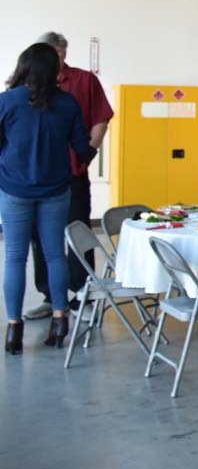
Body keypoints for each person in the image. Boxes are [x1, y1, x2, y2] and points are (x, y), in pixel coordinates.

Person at [1, 43, 96, 353]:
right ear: (55, 70)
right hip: (56, 189)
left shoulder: (6, 102)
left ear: (23, 66)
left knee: (15, 257)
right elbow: (81, 147)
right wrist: (88, 154)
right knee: (55, 253)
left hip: (14, 190)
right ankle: (60, 320)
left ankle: (14, 329)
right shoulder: (67, 104)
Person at [23, 32, 113, 321]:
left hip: (73, 171)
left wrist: (88, 153)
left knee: (78, 231)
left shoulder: (84, 80)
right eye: (52, 55)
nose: (58, 60)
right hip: (37, 176)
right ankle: (51, 296)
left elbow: (101, 118)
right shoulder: (30, 85)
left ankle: (82, 294)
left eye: (61, 54)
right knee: (40, 237)